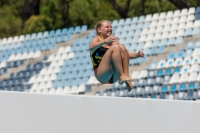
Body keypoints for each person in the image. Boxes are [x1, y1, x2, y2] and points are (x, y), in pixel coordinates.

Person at [89, 19, 144, 92]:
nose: (110, 29)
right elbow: (91, 47)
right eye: (107, 27)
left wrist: (137, 55)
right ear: (99, 29)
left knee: (122, 47)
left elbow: (126, 55)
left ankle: (125, 77)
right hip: (102, 75)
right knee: (116, 47)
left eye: (111, 27)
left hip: (114, 77)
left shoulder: (114, 42)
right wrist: (105, 41)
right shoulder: (96, 39)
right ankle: (122, 75)